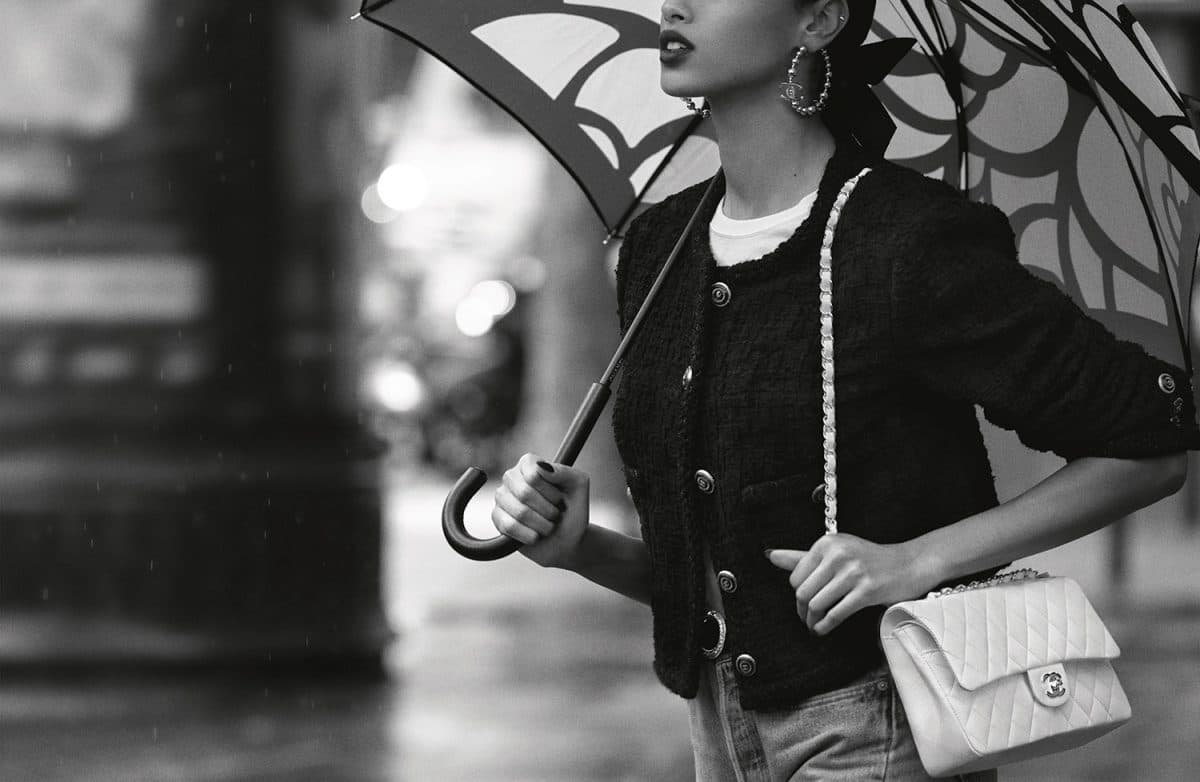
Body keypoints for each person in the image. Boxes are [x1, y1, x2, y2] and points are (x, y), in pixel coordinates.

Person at [489, 1, 1200, 779]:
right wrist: (580, 550)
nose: (676, 4)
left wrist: (917, 561)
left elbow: (1149, 446)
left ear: (820, 18)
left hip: (880, 728)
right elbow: (730, 585)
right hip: (715, 733)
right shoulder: (660, 249)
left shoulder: (906, 242)